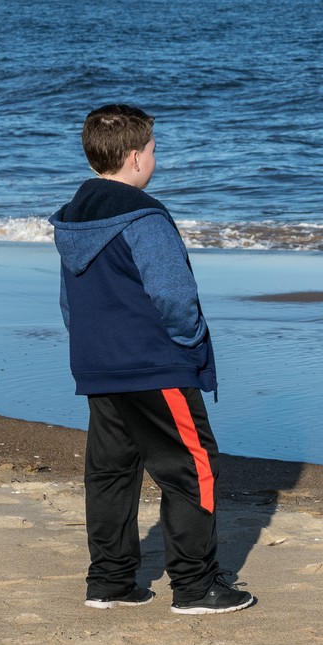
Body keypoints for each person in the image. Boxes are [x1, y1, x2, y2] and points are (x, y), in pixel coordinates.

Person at [49, 104, 254, 615]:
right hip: (153, 364)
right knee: (193, 469)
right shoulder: (145, 216)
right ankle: (196, 586)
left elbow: (68, 302)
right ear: (137, 157)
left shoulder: (74, 216)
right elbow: (175, 297)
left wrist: (94, 351)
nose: (155, 159)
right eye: (155, 150)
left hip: (100, 366)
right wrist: (189, 344)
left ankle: (111, 581)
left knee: (112, 472)